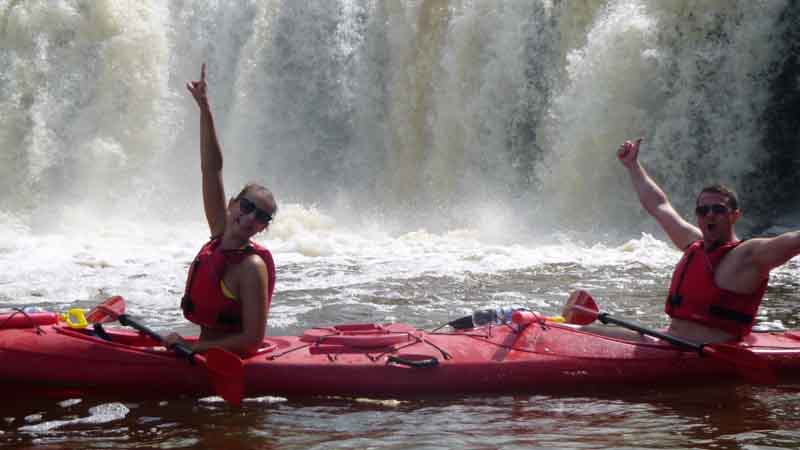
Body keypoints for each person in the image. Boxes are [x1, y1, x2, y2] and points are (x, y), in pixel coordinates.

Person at [609, 137, 800, 343]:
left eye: (718, 209)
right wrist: (632, 165)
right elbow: (658, 205)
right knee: (583, 329)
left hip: (706, 356)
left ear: (735, 216)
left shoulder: (750, 254)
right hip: (666, 343)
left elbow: (795, 240)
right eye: (703, 210)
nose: (710, 215)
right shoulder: (693, 243)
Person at [164, 64, 277, 355]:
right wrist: (204, 108)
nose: (251, 217)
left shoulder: (251, 268)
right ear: (232, 205)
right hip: (205, 352)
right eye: (248, 206)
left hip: (224, 359)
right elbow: (211, 169)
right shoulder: (219, 233)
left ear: (263, 227)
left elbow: (252, 341)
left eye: (261, 216)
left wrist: (196, 350)